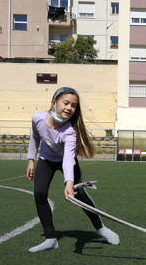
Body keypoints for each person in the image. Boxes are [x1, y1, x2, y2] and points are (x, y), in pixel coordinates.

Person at [26, 86, 119, 252]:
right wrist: (31, 160)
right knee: (39, 193)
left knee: (80, 194)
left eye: (73, 105)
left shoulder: (69, 132)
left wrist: (69, 183)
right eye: (66, 103)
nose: (69, 108)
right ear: (54, 103)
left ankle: (100, 228)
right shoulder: (37, 118)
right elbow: (35, 136)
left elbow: (68, 159)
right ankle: (51, 238)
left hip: (66, 161)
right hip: (46, 159)